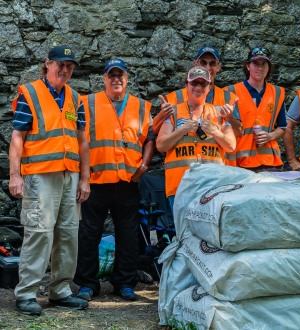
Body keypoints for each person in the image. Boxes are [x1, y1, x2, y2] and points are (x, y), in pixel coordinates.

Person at [8, 45, 90, 315]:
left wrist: (84, 179)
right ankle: (27, 293)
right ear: (47, 64)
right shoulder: (30, 94)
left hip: (70, 175)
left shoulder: (75, 98)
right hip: (40, 177)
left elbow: (82, 141)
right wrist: (15, 175)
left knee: (68, 234)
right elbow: (18, 137)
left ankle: (61, 290)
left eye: (69, 65)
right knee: (39, 234)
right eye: (60, 64)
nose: (64, 69)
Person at [74, 59, 154, 302]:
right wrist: (83, 177)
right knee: (88, 233)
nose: (116, 79)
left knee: (128, 234)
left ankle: (125, 282)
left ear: (127, 79)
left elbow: (149, 138)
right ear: (104, 79)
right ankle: (87, 284)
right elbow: (78, 138)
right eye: (112, 75)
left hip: (127, 181)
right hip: (96, 181)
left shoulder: (141, 106)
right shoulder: (87, 103)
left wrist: (145, 164)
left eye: (120, 75)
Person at [156, 66, 236, 208]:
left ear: (209, 87)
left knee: (210, 230)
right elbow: (161, 145)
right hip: (180, 188)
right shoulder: (174, 112)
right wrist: (182, 130)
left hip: (212, 188)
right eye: (194, 83)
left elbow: (231, 146)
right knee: (182, 231)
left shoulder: (219, 113)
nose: (198, 87)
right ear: (187, 85)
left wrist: (215, 132)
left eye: (203, 83)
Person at [152, 46, 239, 135]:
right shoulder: (172, 98)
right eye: (203, 62)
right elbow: (153, 132)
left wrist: (230, 118)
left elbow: (239, 133)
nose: (207, 68)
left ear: (218, 67)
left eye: (212, 63)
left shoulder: (229, 98)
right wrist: (162, 116)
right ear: (195, 64)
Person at [224, 47, 286, 170]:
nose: (260, 68)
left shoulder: (277, 93)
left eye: (264, 64)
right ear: (248, 66)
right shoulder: (230, 92)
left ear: (269, 68)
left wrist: (270, 136)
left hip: (269, 162)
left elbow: (283, 127)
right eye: (256, 64)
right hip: (240, 161)